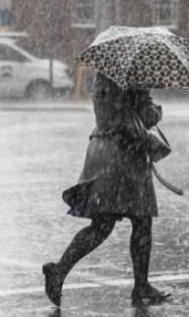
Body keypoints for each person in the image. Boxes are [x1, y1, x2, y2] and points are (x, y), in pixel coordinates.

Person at [42, 73, 171, 307]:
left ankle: (60, 271)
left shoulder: (105, 73)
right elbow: (145, 116)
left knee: (103, 224)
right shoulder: (133, 76)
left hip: (102, 149)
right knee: (139, 222)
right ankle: (139, 286)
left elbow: (114, 111)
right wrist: (155, 109)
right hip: (124, 155)